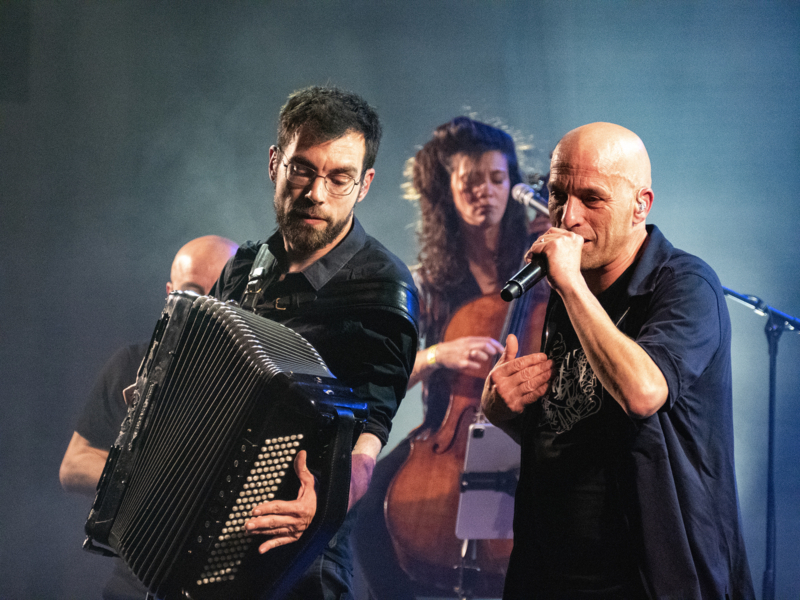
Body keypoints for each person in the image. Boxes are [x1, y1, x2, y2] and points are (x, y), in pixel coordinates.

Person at [481, 122, 754, 599]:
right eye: (558, 195)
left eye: (592, 198)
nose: (568, 217)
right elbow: (579, 429)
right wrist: (504, 412)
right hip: (555, 574)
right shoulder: (572, 290)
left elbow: (643, 394)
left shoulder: (685, 285)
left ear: (640, 206)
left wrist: (571, 287)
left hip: (649, 578)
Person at [209, 86, 419, 599]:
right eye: (302, 170)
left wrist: (323, 506)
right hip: (210, 522)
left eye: (339, 178)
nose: (316, 193)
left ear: (364, 185)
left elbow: (370, 435)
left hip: (302, 549)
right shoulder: (243, 267)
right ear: (275, 164)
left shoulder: (382, 289)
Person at [353, 116, 550, 599]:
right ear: (447, 190)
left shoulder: (538, 267)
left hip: (526, 436)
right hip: (445, 440)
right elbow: (382, 378)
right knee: (368, 507)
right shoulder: (426, 284)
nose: (486, 191)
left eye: (498, 178)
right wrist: (439, 354)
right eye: (470, 181)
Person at [59, 234, 239, 599]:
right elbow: (74, 465)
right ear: (170, 294)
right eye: (192, 294)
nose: (207, 307)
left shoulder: (263, 378)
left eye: (221, 294)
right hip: (137, 581)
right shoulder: (133, 362)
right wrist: (156, 484)